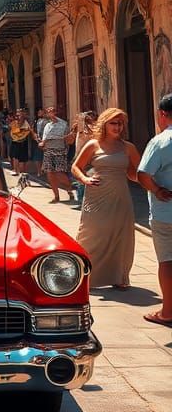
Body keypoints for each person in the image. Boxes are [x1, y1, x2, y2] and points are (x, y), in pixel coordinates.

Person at [71, 108, 140, 289]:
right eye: (113, 123)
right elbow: (76, 167)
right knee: (91, 235)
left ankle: (120, 276)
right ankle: (83, 275)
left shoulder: (128, 147)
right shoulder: (93, 144)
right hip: (96, 196)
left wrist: (153, 184)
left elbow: (136, 174)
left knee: (120, 236)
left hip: (120, 196)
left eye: (120, 123)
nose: (117, 127)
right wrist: (85, 179)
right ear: (105, 124)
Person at [137, 93, 172, 326]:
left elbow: (143, 174)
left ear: (162, 114)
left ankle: (168, 311)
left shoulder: (161, 141)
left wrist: (158, 190)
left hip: (166, 213)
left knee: (167, 261)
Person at [40, 106, 74, 202]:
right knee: (50, 173)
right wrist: (42, 143)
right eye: (48, 112)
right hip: (48, 151)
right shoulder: (47, 126)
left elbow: (68, 140)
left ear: (56, 113)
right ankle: (56, 196)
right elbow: (44, 139)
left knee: (59, 173)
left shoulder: (63, 124)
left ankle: (69, 189)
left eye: (52, 111)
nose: (50, 113)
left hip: (59, 150)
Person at [72, 111, 97, 209]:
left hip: (86, 158)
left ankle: (82, 201)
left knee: (82, 180)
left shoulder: (88, 129)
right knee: (81, 180)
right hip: (82, 157)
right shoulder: (82, 129)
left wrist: (82, 118)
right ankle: (83, 201)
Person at [9, 110, 35, 176]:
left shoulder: (26, 123)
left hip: (22, 142)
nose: (17, 117)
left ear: (23, 116)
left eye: (18, 115)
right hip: (15, 141)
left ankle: (22, 174)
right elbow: (12, 130)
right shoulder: (14, 123)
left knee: (22, 159)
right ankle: (16, 170)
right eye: (16, 115)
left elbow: (27, 130)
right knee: (14, 157)